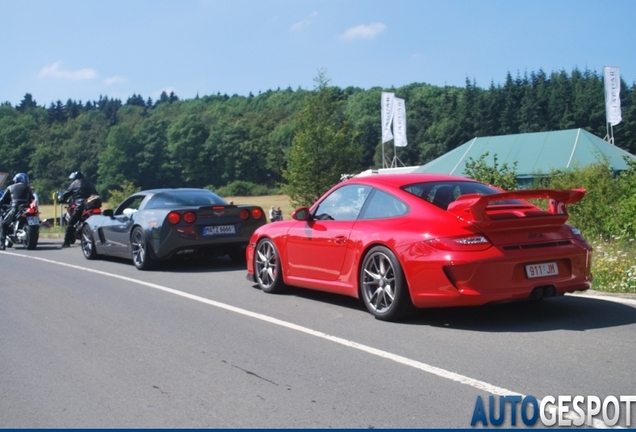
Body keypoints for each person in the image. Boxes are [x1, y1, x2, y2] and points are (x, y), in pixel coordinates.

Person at [61, 171, 98, 247]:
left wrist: (61, 199)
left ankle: (66, 242)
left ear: (75, 178)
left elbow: (66, 194)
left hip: (80, 206)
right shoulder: (90, 184)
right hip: (92, 206)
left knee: (71, 223)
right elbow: (96, 194)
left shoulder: (74, 184)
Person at [0, 173, 35, 250]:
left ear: (16, 180)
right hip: (26, 208)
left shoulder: (10, 187)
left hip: (15, 208)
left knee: (4, 223)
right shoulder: (28, 188)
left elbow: (2, 200)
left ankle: (1, 244)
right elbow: (31, 199)